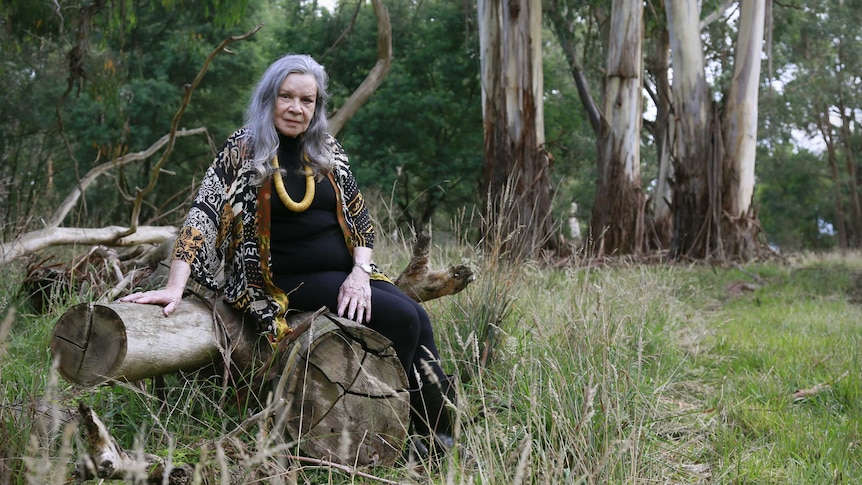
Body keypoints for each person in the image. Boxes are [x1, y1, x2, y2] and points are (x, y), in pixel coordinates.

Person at [121, 54, 454, 456]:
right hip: (280, 281)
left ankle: (439, 439)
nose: (297, 108)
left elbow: (362, 223)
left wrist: (361, 272)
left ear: (317, 107)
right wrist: (174, 286)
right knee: (401, 317)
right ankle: (409, 438)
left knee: (419, 317)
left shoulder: (327, 150)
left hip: (347, 272)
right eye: (287, 97)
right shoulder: (243, 148)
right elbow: (203, 215)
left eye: (307, 100)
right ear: (269, 98)